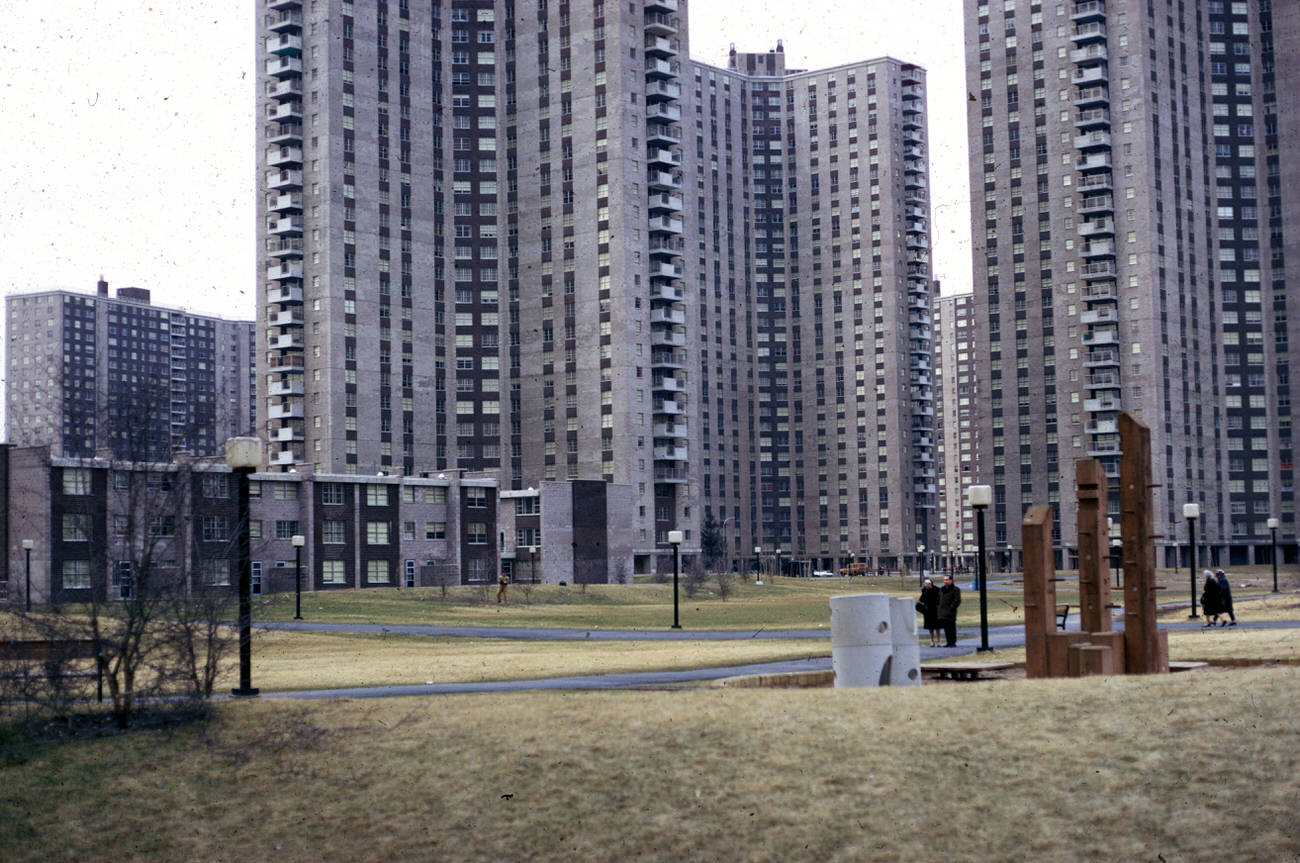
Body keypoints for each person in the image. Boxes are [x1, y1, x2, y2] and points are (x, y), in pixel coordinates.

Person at [937, 574, 962, 647]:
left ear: (951, 580)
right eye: (944, 580)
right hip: (942, 612)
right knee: (946, 628)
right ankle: (948, 642)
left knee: (951, 627)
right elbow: (939, 600)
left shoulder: (955, 589)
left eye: (947, 580)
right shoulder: (942, 589)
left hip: (951, 612)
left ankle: (953, 642)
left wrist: (952, 607)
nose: (945, 581)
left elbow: (957, 600)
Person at [917, 577, 942, 647]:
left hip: (935, 610)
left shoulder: (937, 590)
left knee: (937, 627)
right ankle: (932, 640)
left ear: (930, 584)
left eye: (926, 584)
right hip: (927, 611)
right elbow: (921, 600)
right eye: (925, 584)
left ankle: (939, 641)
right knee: (930, 627)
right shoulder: (924, 590)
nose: (925, 585)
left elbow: (940, 599)